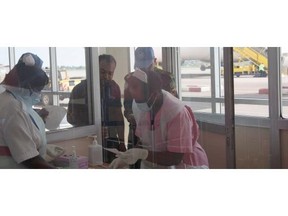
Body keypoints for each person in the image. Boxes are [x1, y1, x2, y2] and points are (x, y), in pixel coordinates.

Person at [110, 69, 209, 169]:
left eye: (142, 100)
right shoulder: (138, 105)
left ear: (155, 94)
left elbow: (175, 158)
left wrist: (142, 154)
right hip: (155, 164)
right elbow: (144, 140)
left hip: (184, 165)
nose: (139, 104)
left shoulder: (176, 113)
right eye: (136, 99)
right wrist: (127, 156)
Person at [123, 47, 178, 168]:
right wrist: (135, 117)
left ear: (155, 61)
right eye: (139, 66)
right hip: (138, 131)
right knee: (134, 163)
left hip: (162, 131)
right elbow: (127, 106)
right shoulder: (131, 78)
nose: (143, 70)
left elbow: (174, 107)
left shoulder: (166, 78)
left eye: (147, 66)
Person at [0, 52, 56, 168]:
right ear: (26, 86)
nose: (39, 94)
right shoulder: (13, 107)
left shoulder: (7, 99)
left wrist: (38, 118)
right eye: (37, 89)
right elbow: (29, 158)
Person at [67, 54, 126, 161]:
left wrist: (122, 142)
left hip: (111, 144)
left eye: (110, 73)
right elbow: (70, 118)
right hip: (86, 142)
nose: (106, 76)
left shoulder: (114, 88)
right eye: (102, 72)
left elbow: (118, 116)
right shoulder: (79, 90)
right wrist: (91, 127)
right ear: (94, 69)